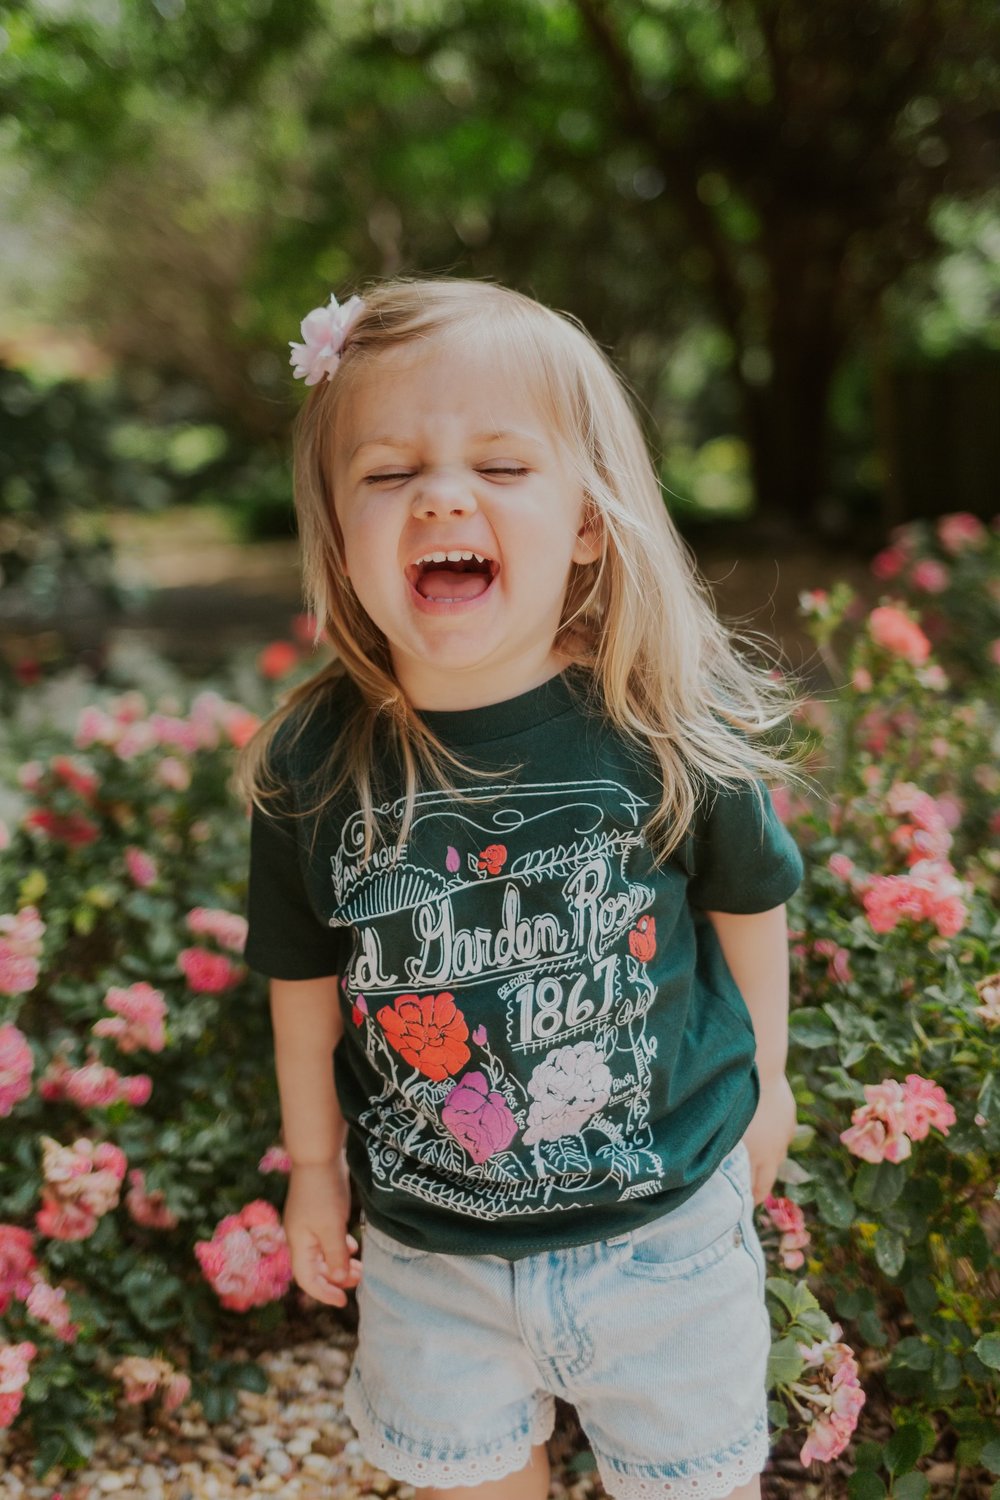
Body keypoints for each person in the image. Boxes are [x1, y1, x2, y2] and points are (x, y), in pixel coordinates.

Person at [236, 277, 815, 1500]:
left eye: (501, 466)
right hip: (430, 1253)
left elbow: (746, 902)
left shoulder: (653, 724)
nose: (443, 494)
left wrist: (769, 1081)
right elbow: (301, 982)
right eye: (390, 475)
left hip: (664, 1234)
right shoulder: (312, 764)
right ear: (339, 530)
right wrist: (315, 1169)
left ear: (591, 522)